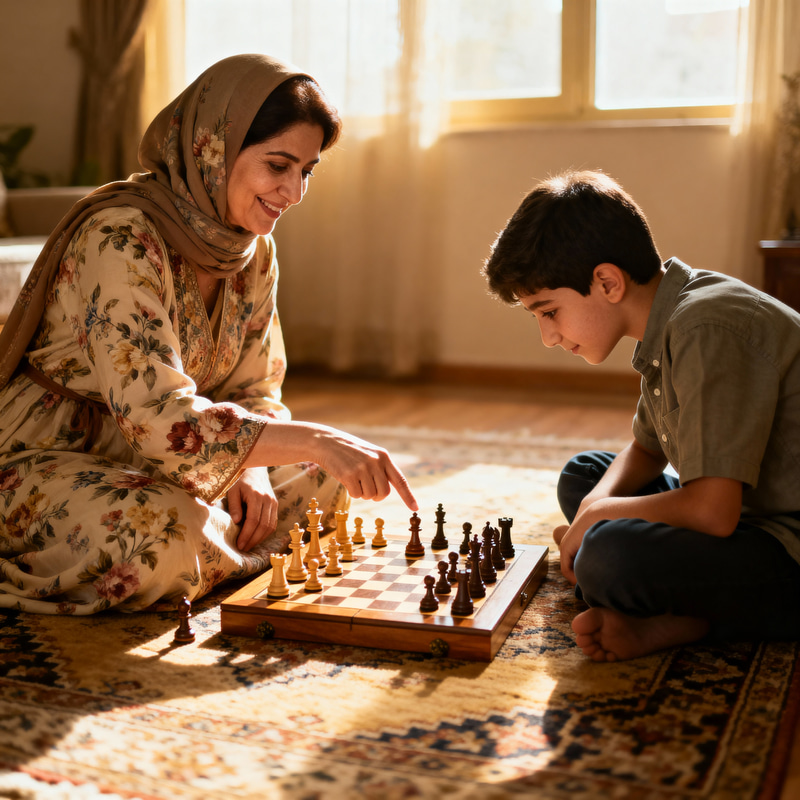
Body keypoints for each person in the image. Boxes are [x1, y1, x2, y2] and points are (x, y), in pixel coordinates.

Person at [0, 54, 417, 615]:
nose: (293, 192)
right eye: (278, 165)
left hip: (166, 459)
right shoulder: (120, 237)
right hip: (45, 457)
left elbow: (257, 389)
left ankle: (214, 546)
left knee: (325, 484)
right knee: (164, 537)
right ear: (212, 150)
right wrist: (309, 440)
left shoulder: (253, 250)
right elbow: (157, 418)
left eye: (307, 170)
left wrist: (254, 469)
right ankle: (216, 549)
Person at [483, 169, 800, 662]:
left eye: (548, 312)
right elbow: (648, 448)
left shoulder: (707, 326)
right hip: (747, 515)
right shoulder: (670, 318)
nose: (548, 336)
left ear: (607, 281)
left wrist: (602, 517)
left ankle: (691, 621)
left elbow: (713, 512)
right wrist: (594, 505)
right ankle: (674, 609)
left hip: (787, 539)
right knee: (585, 476)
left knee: (610, 556)